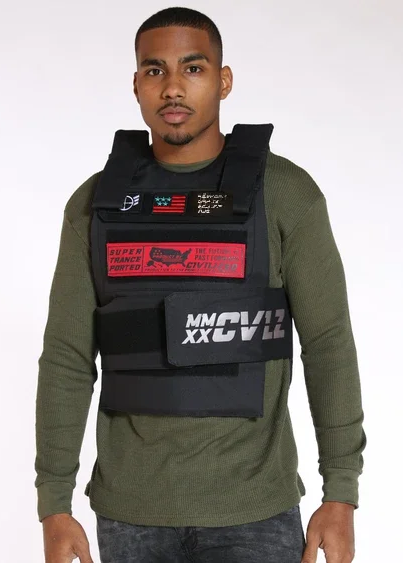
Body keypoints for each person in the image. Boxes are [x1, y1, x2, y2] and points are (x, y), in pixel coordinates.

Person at [35, 7, 366, 563]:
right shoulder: (94, 205)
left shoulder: (285, 194)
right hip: (130, 516)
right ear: (136, 85)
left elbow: (329, 342)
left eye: (193, 68)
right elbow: (67, 356)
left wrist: (341, 493)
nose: (172, 88)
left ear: (223, 80)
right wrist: (54, 502)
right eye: (154, 70)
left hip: (256, 513)